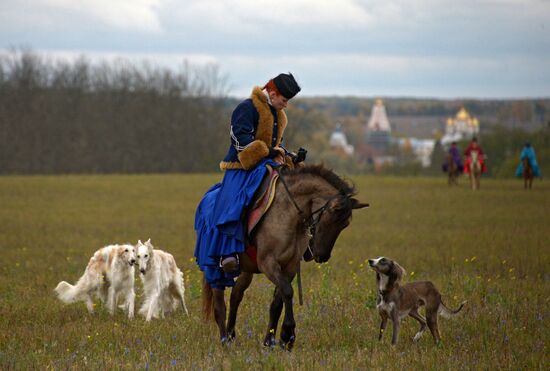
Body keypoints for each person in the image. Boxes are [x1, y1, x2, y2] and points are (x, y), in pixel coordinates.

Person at [194, 73, 301, 289]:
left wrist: (287, 155)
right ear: (272, 92)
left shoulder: (278, 115)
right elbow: (241, 141)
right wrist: (270, 151)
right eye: (284, 100)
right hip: (241, 167)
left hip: (266, 164)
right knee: (235, 203)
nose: (286, 105)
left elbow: (276, 143)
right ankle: (227, 253)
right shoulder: (246, 108)